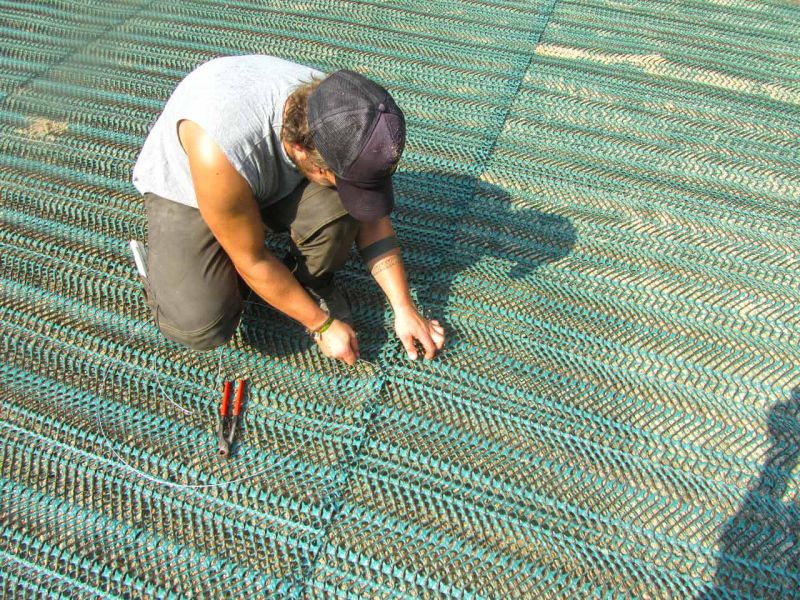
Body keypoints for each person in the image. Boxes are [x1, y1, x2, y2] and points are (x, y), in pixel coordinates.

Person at [131, 55, 445, 365]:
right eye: (336, 178)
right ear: (300, 149)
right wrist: (321, 325)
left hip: (257, 174)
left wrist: (404, 307)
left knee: (342, 211)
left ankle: (295, 278)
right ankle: (164, 272)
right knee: (200, 323)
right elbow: (251, 260)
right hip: (196, 187)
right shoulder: (220, 153)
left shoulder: (341, 112)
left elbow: (371, 219)